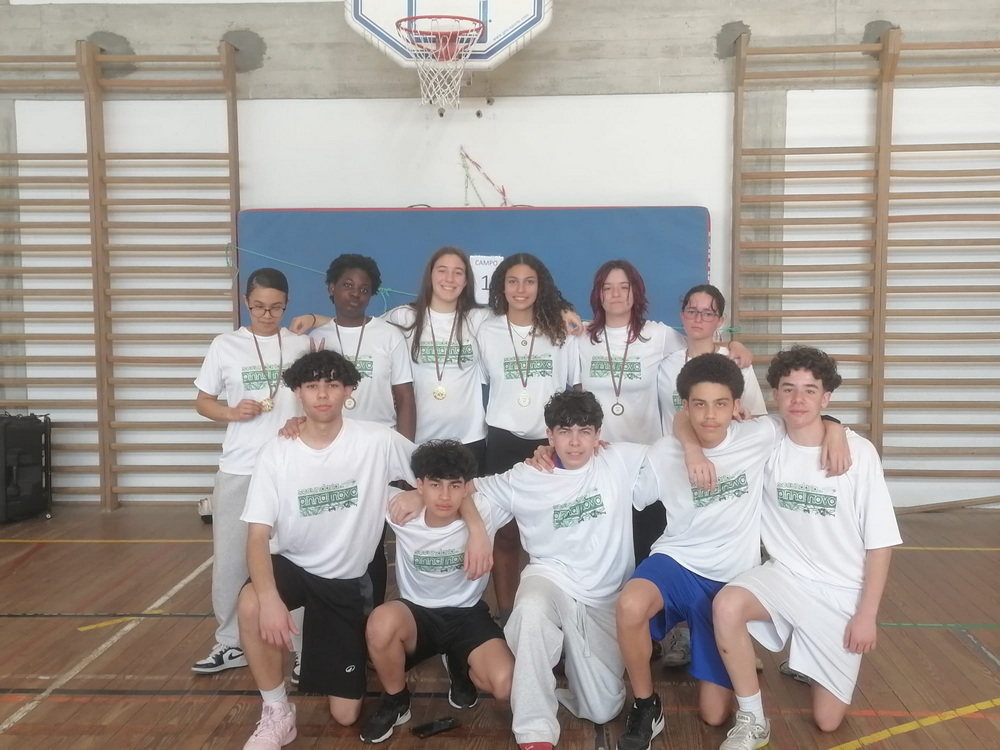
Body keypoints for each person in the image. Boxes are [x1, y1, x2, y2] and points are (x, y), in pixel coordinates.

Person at [236, 349, 489, 750]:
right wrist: (269, 599)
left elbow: (448, 475)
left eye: (332, 385)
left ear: (349, 390)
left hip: (344, 582)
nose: (323, 394)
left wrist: (463, 521)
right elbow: (256, 536)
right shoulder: (277, 452)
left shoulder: (377, 440)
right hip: (294, 566)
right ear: (298, 393)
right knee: (252, 602)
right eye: (312, 386)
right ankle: (277, 711)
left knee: (345, 714)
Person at [712, 346, 900, 749]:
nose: (798, 399)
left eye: (810, 390)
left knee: (827, 722)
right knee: (727, 605)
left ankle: (809, 655)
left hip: (840, 592)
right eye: (788, 389)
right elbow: (691, 421)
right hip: (786, 577)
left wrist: (867, 615)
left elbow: (880, 542)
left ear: (825, 398)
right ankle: (753, 719)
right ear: (775, 394)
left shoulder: (859, 453)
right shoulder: (766, 442)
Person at [473, 390, 651, 750]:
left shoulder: (620, 460)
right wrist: (477, 531)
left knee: (602, 709)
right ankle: (534, 730)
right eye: (564, 431)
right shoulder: (527, 475)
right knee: (530, 610)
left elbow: (679, 452)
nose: (574, 442)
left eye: (584, 431)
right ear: (549, 435)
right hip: (550, 578)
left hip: (602, 597)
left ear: (598, 435)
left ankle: (560, 669)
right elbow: (468, 490)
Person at [191, 268, 311, 677]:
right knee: (230, 558)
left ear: (287, 304)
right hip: (240, 466)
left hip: (291, 466)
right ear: (246, 302)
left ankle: (301, 647)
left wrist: (301, 420)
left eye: (276, 307)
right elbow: (203, 401)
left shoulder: (301, 344)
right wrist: (231, 412)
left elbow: (317, 398)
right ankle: (231, 643)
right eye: (259, 306)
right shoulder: (225, 345)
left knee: (294, 558)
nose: (267, 314)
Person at [360, 440, 513, 744]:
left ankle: (458, 663)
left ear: (466, 487)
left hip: (467, 614)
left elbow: (531, 476)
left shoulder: (486, 508)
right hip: (417, 614)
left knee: (504, 684)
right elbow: (355, 482)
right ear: (419, 484)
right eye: (434, 485)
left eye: (454, 486)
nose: (444, 496)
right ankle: (397, 699)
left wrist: (478, 530)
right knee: (379, 623)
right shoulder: (400, 509)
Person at [653, 283, 766, 667]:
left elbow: (756, 417)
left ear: (721, 319)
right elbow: (676, 418)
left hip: (728, 477)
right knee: (687, 556)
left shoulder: (736, 362)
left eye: (708, 312)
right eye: (692, 310)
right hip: (684, 472)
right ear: (681, 314)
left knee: (732, 558)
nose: (698, 318)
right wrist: (690, 449)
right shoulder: (666, 363)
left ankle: (739, 641)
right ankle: (685, 637)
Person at [476, 253, 580, 623]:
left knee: (553, 534)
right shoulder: (486, 331)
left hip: (549, 444)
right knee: (505, 535)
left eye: (529, 281)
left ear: (541, 286)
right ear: (501, 287)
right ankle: (507, 615)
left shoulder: (560, 330)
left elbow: (575, 387)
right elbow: (485, 383)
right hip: (503, 441)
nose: (521, 289)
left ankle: (554, 615)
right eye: (513, 281)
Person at [310, 253, 415, 609]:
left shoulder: (389, 336)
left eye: (364, 289)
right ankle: (337, 616)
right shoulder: (317, 339)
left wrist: (403, 460)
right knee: (334, 537)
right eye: (347, 285)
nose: (355, 294)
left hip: (377, 454)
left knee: (373, 542)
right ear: (331, 288)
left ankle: (373, 621)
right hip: (331, 452)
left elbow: (405, 399)